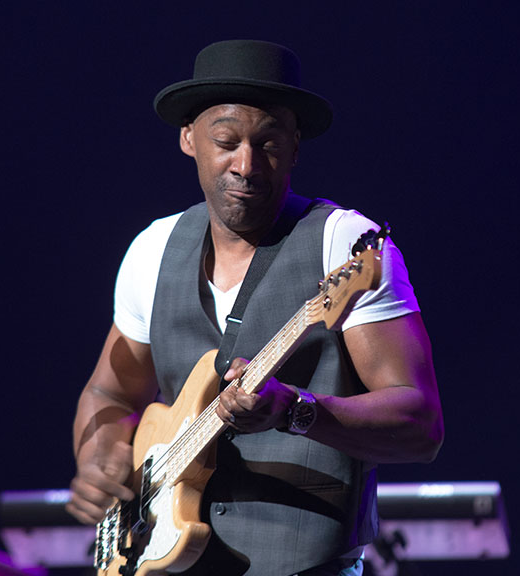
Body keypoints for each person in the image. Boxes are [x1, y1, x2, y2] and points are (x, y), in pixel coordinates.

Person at [66, 39, 444, 576]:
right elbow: (109, 390)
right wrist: (99, 456)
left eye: (268, 143)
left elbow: (420, 425)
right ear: (188, 138)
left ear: (295, 146)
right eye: (225, 141)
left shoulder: (344, 245)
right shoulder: (153, 248)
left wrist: (295, 410)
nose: (246, 165)